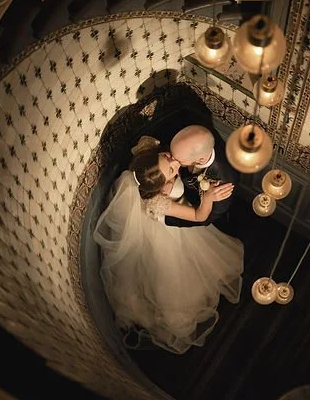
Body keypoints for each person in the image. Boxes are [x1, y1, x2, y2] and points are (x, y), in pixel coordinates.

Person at [93, 136, 243, 354]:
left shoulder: (148, 163)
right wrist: (208, 197)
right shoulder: (160, 202)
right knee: (180, 274)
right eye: (172, 171)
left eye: (166, 158)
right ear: (163, 190)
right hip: (174, 233)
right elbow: (199, 216)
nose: (174, 162)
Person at [164, 124, 238, 229]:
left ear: (201, 160)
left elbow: (211, 216)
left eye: (179, 161)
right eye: (172, 155)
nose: (172, 162)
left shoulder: (223, 182)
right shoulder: (196, 135)